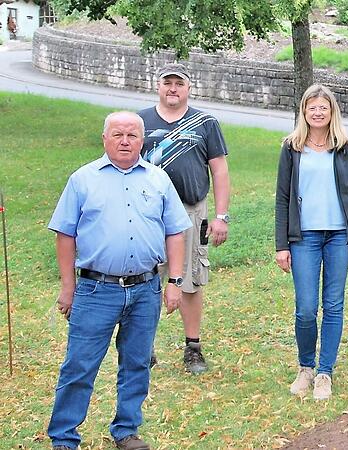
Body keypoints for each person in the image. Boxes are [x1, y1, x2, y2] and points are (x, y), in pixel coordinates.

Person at [47, 111, 191, 450]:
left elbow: (175, 231)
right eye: (117, 135)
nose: (125, 141)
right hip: (96, 290)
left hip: (145, 289)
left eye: (132, 135)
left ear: (143, 140)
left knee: (137, 362)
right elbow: (65, 235)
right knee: (80, 366)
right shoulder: (83, 179)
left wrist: (174, 280)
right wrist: (68, 287)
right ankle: (64, 438)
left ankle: (126, 430)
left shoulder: (158, 180)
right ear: (105, 139)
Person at [274, 84, 348, 400]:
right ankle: (305, 368)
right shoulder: (292, 148)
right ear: (304, 111)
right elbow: (283, 197)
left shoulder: (345, 147)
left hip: (339, 236)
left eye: (323, 108)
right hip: (304, 237)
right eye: (311, 107)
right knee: (306, 307)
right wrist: (281, 244)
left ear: (332, 112)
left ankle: (325, 372)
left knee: (333, 305)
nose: (317, 112)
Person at [138, 63, 231, 374]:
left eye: (179, 83)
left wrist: (221, 216)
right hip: (148, 214)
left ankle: (193, 347)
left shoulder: (205, 123)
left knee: (190, 280)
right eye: (167, 83)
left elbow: (219, 170)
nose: (173, 88)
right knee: (147, 278)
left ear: (189, 88)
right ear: (158, 86)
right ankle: (143, 347)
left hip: (191, 212)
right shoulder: (140, 121)